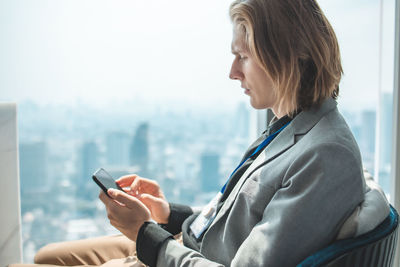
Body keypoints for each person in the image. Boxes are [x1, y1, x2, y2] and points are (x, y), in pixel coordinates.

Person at [10, 0, 376, 266]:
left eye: (243, 56)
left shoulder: (325, 155)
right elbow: (243, 221)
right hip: (187, 244)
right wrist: (167, 213)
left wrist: (146, 236)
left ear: (288, 55)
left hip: (181, 258)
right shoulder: (294, 127)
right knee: (46, 255)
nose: (233, 72)